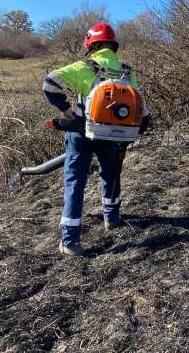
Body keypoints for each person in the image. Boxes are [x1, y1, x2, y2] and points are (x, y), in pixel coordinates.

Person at [43, 22, 152, 256]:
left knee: (75, 182)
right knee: (111, 174)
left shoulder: (83, 66)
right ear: (113, 44)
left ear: (91, 44)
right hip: (115, 134)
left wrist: (66, 110)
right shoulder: (126, 71)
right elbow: (139, 104)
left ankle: (70, 241)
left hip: (82, 131)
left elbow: (49, 83)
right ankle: (111, 219)